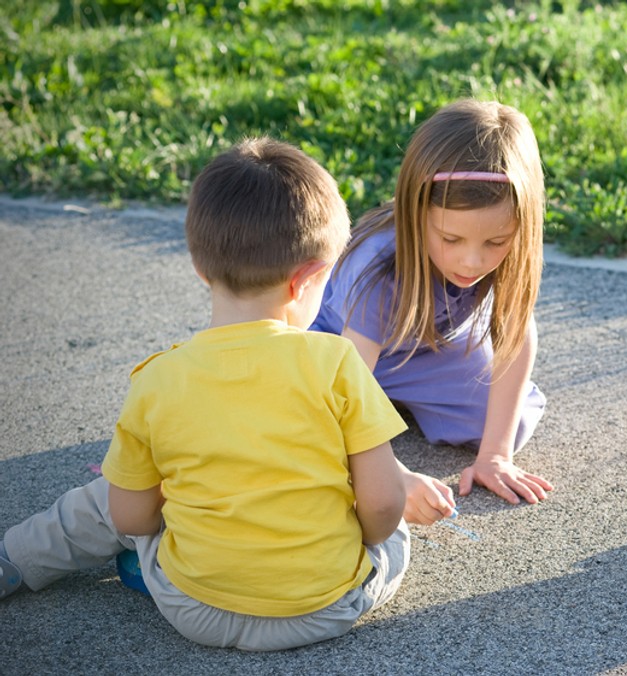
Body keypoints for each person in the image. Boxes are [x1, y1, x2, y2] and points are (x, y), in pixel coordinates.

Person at [0, 137, 455, 650]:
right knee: (391, 532)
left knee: (110, 498)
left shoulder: (157, 379)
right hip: (324, 609)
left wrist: (169, 511)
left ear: (200, 267)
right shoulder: (337, 363)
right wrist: (359, 535)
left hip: (193, 607)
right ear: (306, 280)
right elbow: (383, 503)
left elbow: (131, 518)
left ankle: (15, 560)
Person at [311, 99, 554, 506]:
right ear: (414, 212)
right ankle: (379, 411)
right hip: (341, 349)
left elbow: (516, 333)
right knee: (311, 431)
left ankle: (390, 406)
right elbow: (348, 384)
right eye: (451, 239)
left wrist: (495, 456)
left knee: (510, 423)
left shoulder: (509, 249)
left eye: (495, 242)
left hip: (423, 349)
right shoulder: (379, 266)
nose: (472, 261)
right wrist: (393, 476)